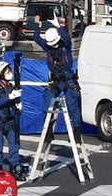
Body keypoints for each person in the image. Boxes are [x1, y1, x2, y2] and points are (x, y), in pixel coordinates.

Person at [33, 14, 82, 142]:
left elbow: (66, 37)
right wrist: (39, 26)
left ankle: (76, 130)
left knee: (72, 102)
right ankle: (48, 130)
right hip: (55, 80)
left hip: (67, 78)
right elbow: (36, 38)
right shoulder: (47, 47)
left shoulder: (65, 45)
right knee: (47, 101)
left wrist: (58, 27)